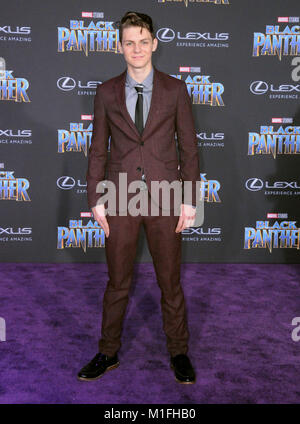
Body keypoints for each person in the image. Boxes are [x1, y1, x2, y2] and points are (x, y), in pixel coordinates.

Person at [78, 11, 200, 384]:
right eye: (129, 42)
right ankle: (107, 352)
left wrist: (190, 199)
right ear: (119, 47)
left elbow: (190, 150)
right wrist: (95, 199)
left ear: (154, 45)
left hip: (166, 196)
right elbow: (98, 148)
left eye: (143, 41)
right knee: (117, 282)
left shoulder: (175, 90)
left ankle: (179, 352)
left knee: (170, 282)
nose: (137, 48)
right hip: (119, 197)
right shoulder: (105, 92)